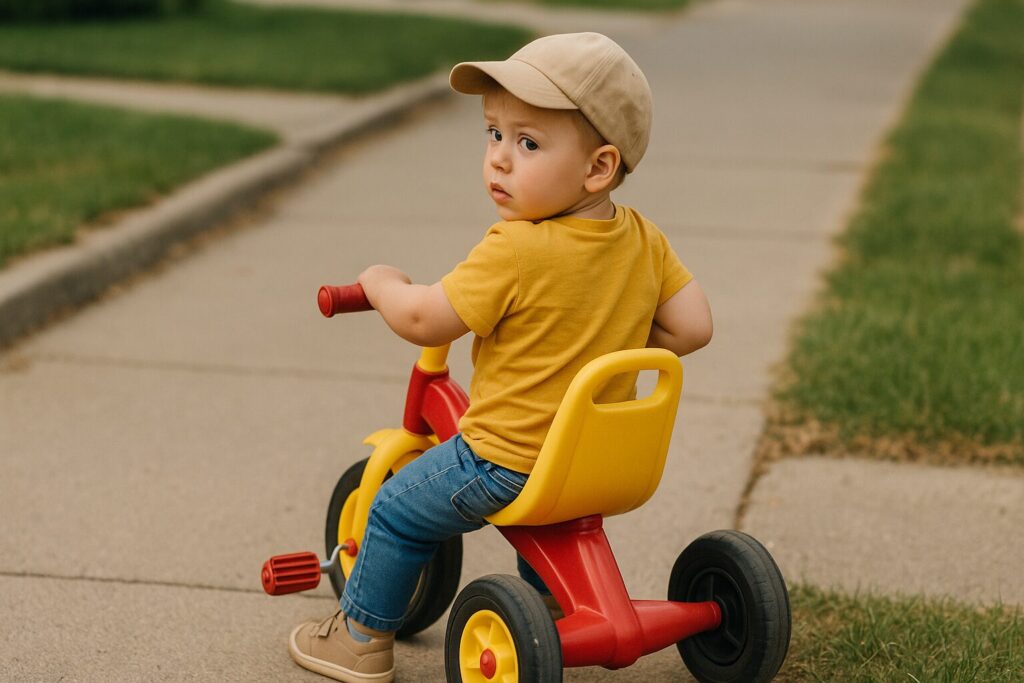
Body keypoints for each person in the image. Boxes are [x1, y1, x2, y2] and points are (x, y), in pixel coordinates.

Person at [288, 32, 713, 683]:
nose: (499, 161)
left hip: (506, 462)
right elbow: (694, 326)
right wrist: (614, 348)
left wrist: (381, 283)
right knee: (542, 506)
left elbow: (425, 316)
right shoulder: (644, 240)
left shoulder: (515, 248)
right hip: (601, 465)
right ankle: (547, 598)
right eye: (493, 134)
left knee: (398, 507)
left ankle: (360, 637)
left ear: (598, 167)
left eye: (529, 143)